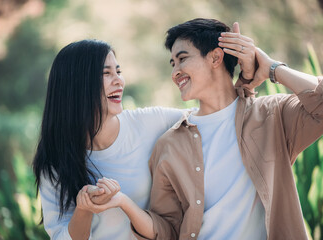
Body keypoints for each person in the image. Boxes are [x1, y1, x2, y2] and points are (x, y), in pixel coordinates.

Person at [84, 18, 323, 240]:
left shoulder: (271, 116)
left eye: (183, 58)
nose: (175, 71)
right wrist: (123, 202)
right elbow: (167, 228)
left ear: (216, 58)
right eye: (172, 63)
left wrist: (270, 67)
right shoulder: (169, 144)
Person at [32, 28, 255, 239]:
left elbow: (216, 114)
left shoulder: (149, 123)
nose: (119, 80)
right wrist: (84, 209)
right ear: (77, 86)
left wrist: (249, 75)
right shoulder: (55, 161)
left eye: (118, 71)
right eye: (106, 73)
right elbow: (61, 236)